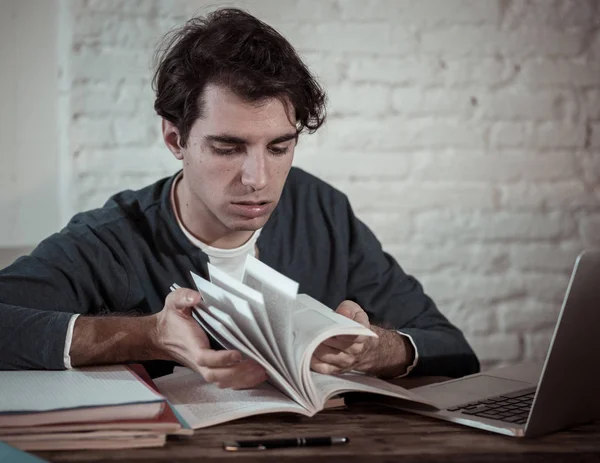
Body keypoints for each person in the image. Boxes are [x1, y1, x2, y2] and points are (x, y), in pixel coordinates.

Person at [0, 8, 479, 386]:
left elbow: (452, 348)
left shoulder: (323, 210)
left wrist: (379, 350)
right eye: (228, 148)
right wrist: (147, 336)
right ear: (175, 141)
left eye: (279, 147)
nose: (258, 178)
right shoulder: (110, 239)